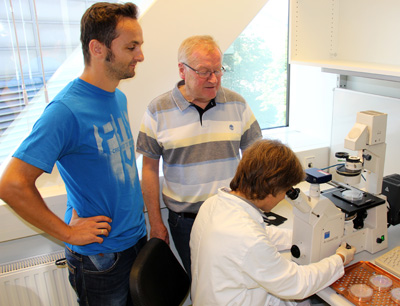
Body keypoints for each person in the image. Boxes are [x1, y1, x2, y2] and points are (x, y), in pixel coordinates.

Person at [0, 2, 146, 305]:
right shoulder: (65, 110)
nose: (140, 56)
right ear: (97, 48)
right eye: (132, 47)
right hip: (102, 259)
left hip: (135, 243)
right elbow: (12, 184)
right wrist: (67, 232)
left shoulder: (117, 97)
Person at [136, 35, 262, 279]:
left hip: (232, 215)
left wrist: (255, 206)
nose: (213, 79)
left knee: (238, 281)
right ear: (182, 70)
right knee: (201, 284)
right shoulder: (157, 110)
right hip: (186, 222)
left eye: (218, 70)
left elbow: (254, 160)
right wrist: (155, 221)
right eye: (204, 71)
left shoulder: (237, 104)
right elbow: (149, 169)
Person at [190, 139, 356, 306]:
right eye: (285, 191)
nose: (284, 197)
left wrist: (306, 236)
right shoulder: (247, 238)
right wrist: (340, 259)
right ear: (271, 189)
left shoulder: (213, 204)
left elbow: (263, 236)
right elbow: (297, 284)